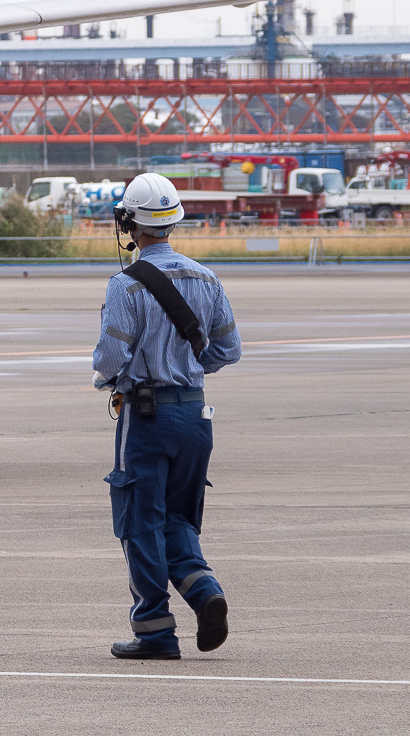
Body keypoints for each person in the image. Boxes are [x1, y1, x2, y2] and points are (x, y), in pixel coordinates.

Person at [92, 172, 242, 660]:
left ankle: (155, 632)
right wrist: (191, 366)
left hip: (147, 416)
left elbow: (110, 360)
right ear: (173, 221)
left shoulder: (126, 284)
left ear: (128, 225)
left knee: (140, 522)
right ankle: (204, 592)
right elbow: (228, 350)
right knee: (180, 519)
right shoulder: (207, 278)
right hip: (197, 415)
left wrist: (107, 381)